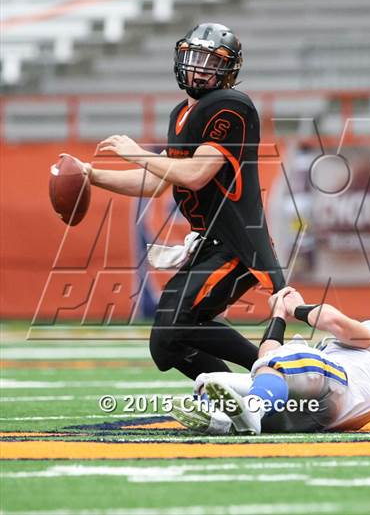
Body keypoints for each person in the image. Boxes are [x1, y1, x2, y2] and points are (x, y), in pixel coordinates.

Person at [66, 22, 285, 380]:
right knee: (166, 344)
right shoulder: (180, 114)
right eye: (194, 58)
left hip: (237, 245)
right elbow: (156, 181)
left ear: (227, 71)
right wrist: (92, 174)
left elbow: (196, 174)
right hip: (210, 245)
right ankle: (236, 396)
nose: (199, 69)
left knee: (177, 321)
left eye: (210, 62)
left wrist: (136, 153)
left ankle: (274, 374)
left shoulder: (230, 106)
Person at [172, 286, 370, 433]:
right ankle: (224, 421)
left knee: (292, 356)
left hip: (339, 391)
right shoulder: (336, 355)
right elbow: (267, 359)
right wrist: (278, 314)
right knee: (211, 382)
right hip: (306, 415)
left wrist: (296, 306)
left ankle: (252, 410)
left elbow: (335, 322)